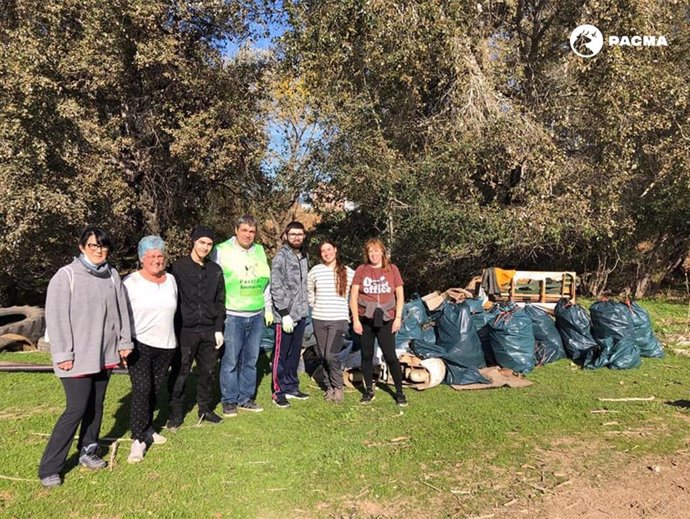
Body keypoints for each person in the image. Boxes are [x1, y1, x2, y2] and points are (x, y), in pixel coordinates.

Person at [38, 227, 133, 488]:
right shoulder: (65, 276)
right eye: (93, 246)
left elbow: (121, 311)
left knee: (96, 405)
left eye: (103, 246)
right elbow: (56, 318)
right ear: (82, 247)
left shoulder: (112, 275)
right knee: (76, 408)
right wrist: (63, 354)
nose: (99, 250)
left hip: (104, 353)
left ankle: (88, 451)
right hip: (76, 356)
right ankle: (50, 467)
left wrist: (124, 342)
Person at [123, 236, 178, 463]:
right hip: (140, 343)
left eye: (160, 255)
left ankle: (148, 429)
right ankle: (137, 439)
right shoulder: (131, 282)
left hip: (166, 344)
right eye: (151, 256)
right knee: (142, 389)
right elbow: (121, 316)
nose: (157, 260)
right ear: (141, 258)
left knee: (155, 390)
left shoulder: (171, 280)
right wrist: (123, 343)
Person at [213, 215, 273, 417]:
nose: (248, 235)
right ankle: (229, 400)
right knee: (230, 360)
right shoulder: (221, 250)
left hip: (256, 314)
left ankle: (245, 398)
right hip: (232, 314)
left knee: (251, 360)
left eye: (252, 231)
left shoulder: (259, 251)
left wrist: (268, 308)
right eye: (244, 230)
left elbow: (265, 282)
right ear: (236, 230)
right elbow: (214, 282)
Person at [166, 226, 225, 429]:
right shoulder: (178, 267)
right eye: (202, 242)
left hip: (209, 330)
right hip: (185, 331)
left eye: (209, 244)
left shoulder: (215, 270)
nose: (205, 247)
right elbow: (170, 298)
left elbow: (219, 301)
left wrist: (218, 328)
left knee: (207, 372)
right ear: (193, 241)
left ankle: (205, 408)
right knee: (180, 373)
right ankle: (175, 411)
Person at [350, 238, 407, 406]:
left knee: (390, 356)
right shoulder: (361, 270)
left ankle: (399, 392)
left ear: (382, 252)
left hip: (387, 319)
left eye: (376, 251)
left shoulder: (392, 269)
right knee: (366, 355)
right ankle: (368, 390)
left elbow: (400, 295)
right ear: (366, 254)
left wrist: (398, 318)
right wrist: (355, 320)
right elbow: (353, 296)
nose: (373, 254)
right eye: (370, 251)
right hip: (365, 319)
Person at [307, 239, 355, 403]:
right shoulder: (315, 271)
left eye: (329, 249)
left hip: (338, 320)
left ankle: (338, 386)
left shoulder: (348, 272)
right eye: (323, 251)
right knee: (322, 355)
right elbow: (309, 291)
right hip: (319, 319)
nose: (326, 253)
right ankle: (329, 387)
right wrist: (315, 305)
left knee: (331, 355)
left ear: (335, 250)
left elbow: (358, 289)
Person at [271, 221, 310, 408]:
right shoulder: (281, 257)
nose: (297, 237)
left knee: (294, 354)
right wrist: (284, 312)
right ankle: (278, 391)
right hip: (284, 316)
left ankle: (291, 386)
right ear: (286, 235)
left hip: (301, 314)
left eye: (300, 234)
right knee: (281, 355)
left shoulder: (303, 256)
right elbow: (276, 286)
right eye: (293, 234)